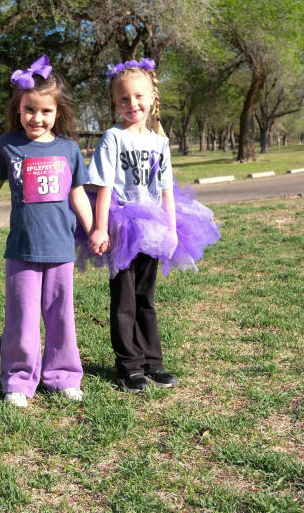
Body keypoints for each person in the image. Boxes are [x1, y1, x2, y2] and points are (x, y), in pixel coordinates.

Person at [0, 56, 93, 407]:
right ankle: (18, 380)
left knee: (61, 316)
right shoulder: (9, 145)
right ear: (18, 110)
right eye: (29, 110)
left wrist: (94, 229)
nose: (37, 118)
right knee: (22, 319)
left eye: (45, 111)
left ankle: (63, 375)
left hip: (61, 249)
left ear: (57, 113)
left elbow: (77, 193)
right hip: (22, 250)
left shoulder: (68, 149)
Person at [85, 58, 220, 393]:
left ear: (152, 99)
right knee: (124, 299)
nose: (133, 104)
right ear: (115, 104)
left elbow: (166, 192)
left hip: (154, 227)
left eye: (139, 97)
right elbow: (102, 188)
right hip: (121, 225)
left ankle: (152, 362)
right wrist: (100, 228)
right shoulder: (113, 139)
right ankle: (128, 366)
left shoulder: (160, 143)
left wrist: (172, 230)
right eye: (124, 99)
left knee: (146, 296)